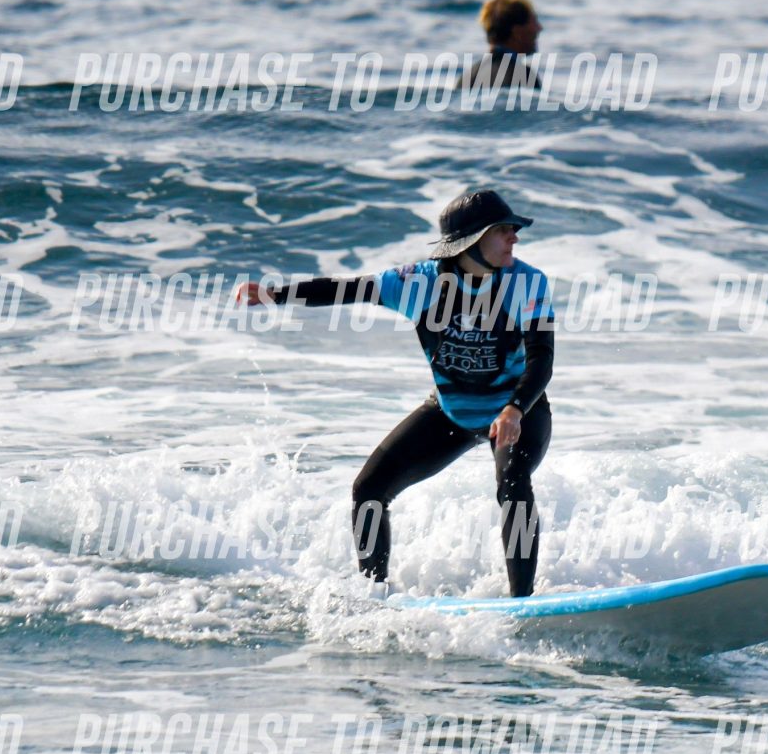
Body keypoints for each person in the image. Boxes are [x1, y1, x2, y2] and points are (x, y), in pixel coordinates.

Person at [235, 188, 556, 596]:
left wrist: (514, 409)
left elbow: (541, 358)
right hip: (451, 411)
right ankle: (376, 595)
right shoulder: (418, 283)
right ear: (471, 241)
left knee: (513, 486)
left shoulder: (526, 282)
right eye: (502, 229)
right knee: (369, 489)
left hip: (518, 410)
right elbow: (346, 289)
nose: (514, 236)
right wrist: (275, 294)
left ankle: (522, 601)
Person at [463, 0, 542, 90]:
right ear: (517, 32)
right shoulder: (524, 75)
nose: (539, 28)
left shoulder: (468, 77)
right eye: (534, 21)